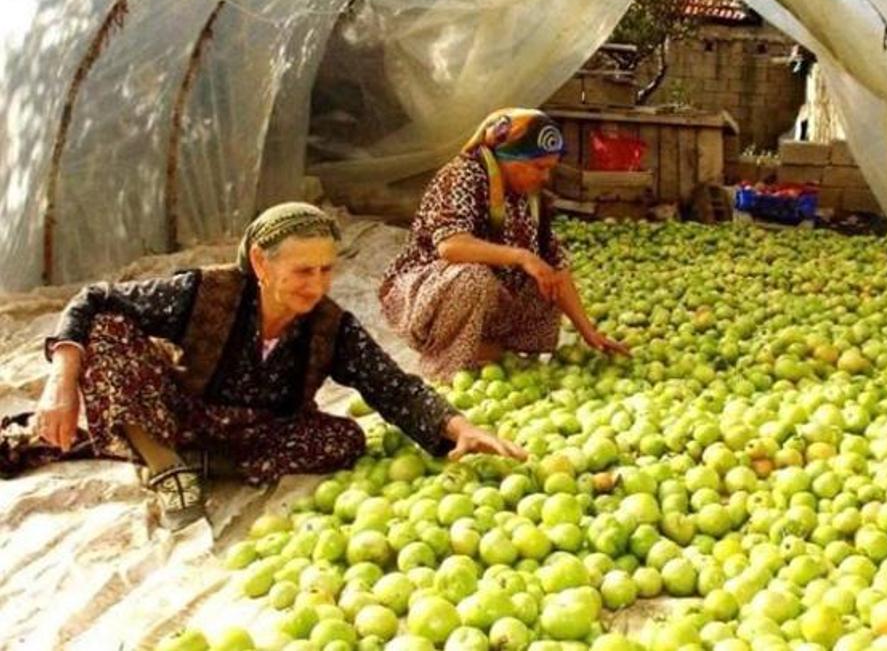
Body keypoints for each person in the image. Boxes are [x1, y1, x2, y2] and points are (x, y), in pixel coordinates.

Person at [0, 202, 524, 529]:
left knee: (344, 440)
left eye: (326, 270)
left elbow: (391, 385)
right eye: (302, 271)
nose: (316, 285)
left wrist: (458, 427)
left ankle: (188, 460)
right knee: (110, 331)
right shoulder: (204, 292)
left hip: (256, 433)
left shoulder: (330, 325)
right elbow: (93, 301)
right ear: (259, 263)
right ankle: (165, 467)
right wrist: (60, 382)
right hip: (180, 406)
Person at [378, 108, 628, 380]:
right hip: (429, 294)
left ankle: (493, 348)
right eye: (539, 167)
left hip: (492, 294)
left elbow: (556, 265)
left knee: (545, 276)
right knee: (473, 278)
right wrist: (521, 256)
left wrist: (588, 332)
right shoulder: (463, 176)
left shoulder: (530, 197)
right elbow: (451, 245)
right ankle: (446, 364)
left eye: (550, 169)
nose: (545, 177)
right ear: (508, 157)